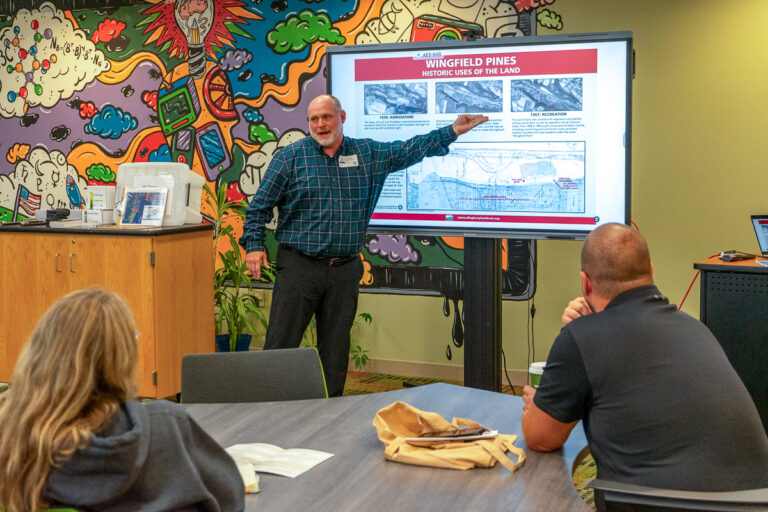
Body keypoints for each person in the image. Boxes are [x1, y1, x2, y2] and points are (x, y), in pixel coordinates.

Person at [240, 94, 488, 397]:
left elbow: (409, 149)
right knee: (281, 344)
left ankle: (330, 409)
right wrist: (254, 245)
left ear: (341, 117)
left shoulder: (368, 154)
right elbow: (258, 208)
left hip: (343, 270)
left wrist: (451, 131)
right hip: (298, 267)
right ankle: (269, 410)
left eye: (326, 117)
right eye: (314, 119)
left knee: (335, 347)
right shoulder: (290, 158)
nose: (320, 125)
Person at [521, 223, 768, 491]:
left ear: (585, 282)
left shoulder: (580, 337)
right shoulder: (694, 327)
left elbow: (541, 438)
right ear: (650, 272)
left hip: (659, 505)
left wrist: (540, 405)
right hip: (753, 501)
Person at [0, 287, 244, 512]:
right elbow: (231, 500)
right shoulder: (168, 428)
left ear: (40, 352)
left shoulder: (13, 440)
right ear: (122, 358)